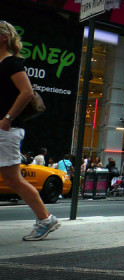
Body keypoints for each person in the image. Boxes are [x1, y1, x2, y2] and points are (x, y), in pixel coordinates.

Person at [0, 20, 61, 240]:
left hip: (6, 130)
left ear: (4, 37)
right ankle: (45, 219)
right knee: (12, 179)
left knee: (14, 180)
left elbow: (26, 92)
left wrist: (7, 119)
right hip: (5, 129)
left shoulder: (11, 64)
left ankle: (45, 219)